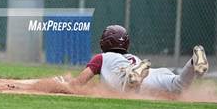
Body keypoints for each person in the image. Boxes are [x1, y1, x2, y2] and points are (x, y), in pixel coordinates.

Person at [64, 25, 209, 94]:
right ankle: (193, 60)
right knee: (179, 85)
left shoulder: (102, 57)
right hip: (154, 73)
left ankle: (133, 77)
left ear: (105, 42)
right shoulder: (131, 57)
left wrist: (66, 84)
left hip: (130, 76)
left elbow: (79, 82)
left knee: (125, 86)